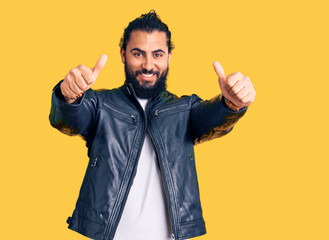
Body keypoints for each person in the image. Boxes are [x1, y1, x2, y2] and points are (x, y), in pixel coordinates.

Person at [49, 10, 255, 240]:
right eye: (138, 54)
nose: (148, 65)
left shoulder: (184, 109)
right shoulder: (100, 105)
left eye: (157, 54)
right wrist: (68, 96)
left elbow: (214, 117)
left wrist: (232, 103)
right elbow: (67, 119)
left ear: (168, 57)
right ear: (123, 55)